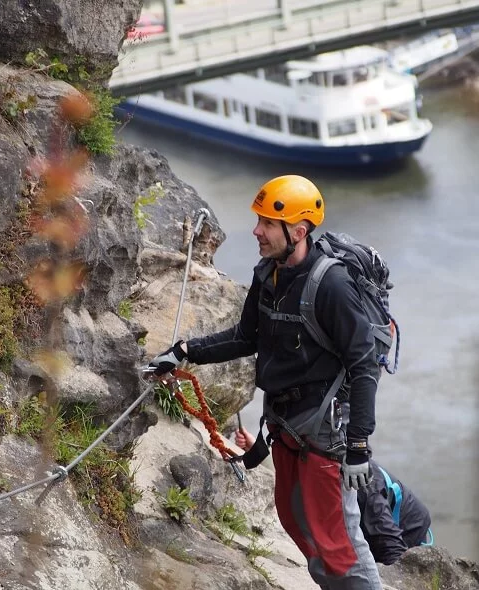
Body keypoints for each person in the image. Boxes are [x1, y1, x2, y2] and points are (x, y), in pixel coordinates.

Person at [148, 175, 384, 589]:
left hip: (326, 432)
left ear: (298, 230)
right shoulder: (269, 275)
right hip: (286, 422)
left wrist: (360, 445)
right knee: (297, 523)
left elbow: (364, 365)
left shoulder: (332, 286)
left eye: (267, 224)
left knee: (339, 543)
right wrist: (185, 351)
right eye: (259, 221)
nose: (256, 231)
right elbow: (246, 338)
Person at [235, 427, 433, 565]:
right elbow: (291, 472)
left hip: (408, 534)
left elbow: (393, 550)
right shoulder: (319, 459)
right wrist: (256, 449)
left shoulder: (364, 491)